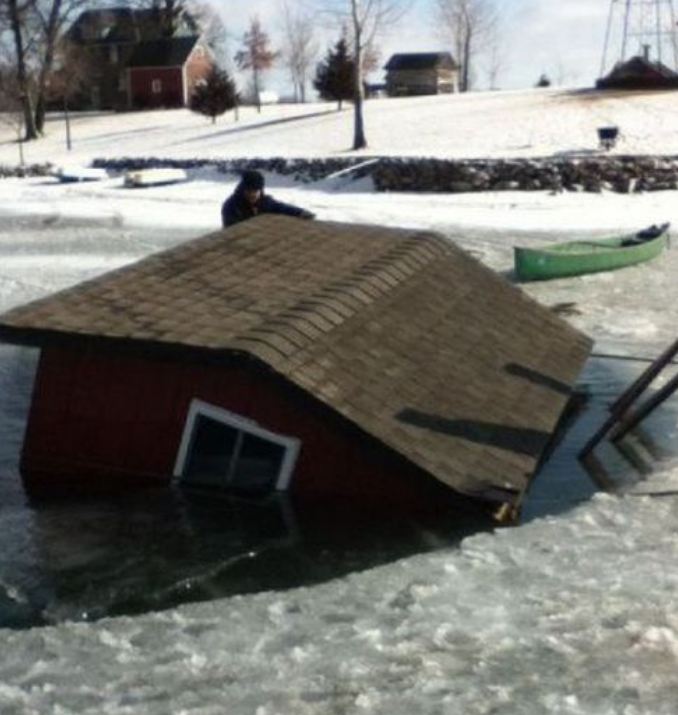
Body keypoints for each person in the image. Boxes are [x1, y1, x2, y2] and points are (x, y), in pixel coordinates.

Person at [221, 170, 315, 228]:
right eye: (249, 191)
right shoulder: (231, 206)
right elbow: (233, 229)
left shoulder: (264, 202)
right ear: (243, 190)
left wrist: (300, 212)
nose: (252, 195)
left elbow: (281, 207)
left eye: (255, 191)